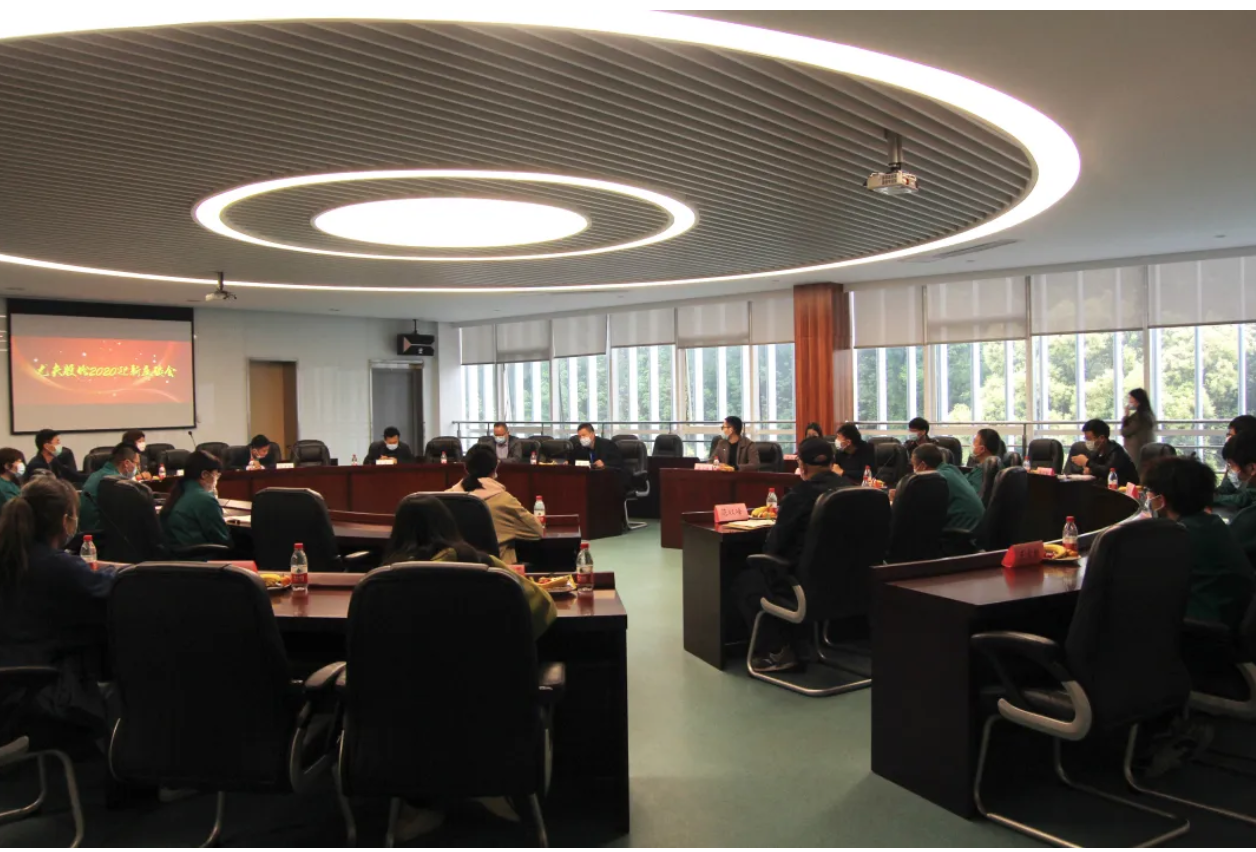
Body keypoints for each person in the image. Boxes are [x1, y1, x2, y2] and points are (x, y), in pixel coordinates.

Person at [0, 477, 117, 733]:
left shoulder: (14, 556)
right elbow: (115, 591)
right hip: (39, 690)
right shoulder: (58, 567)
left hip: (10, 683)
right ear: (65, 521)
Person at [732, 437, 845, 674]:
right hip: (852, 586)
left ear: (801, 465)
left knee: (748, 581)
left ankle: (778, 651)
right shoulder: (853, 489)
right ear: (833, 461)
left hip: (809, 588)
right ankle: (805, 643)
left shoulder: (800, 496)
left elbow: (774, 546)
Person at [382, 494, 555, 638]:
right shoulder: (486, 567)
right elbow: (543, 605)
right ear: (449, 525)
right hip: (487, 667)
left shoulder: (381, 582)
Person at [1143, 456, 1254, 629]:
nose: (1148, 497)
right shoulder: (1213, 524)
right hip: (1227, 620)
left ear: (1161, 500)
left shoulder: (1180, 536)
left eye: (1149, 491)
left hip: (1203, 632)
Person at [446, 444, 543, 563]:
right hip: (497, 571)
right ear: (495, 467)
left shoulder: (446, 498)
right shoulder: (505, 500)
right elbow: (537, 531)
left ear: (466, 467)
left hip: (457, 571)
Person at [159, 450, 231, 549]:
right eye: (216, 475)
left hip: (180, 554)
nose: (217, 480)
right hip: (202, 555)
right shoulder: (204, 499)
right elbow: (222, 538)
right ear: (205, 474)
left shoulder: (179, 491)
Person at [911, 443, 984, 532]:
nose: (913, 469)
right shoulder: (951, 469)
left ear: (923, 465)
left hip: (963, 532)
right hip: (978, 527)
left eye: (914, 465)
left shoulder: (937, 480)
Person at [79, 442, 141, 534]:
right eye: (137, 464)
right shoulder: (115, 481)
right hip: (100, 533)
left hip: (86, 530)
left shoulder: (96, 474)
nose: (138, 469)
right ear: (126, 463)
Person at [1223, 430, 1256, 569]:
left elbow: (1224, 549)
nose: (1231, 471)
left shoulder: (1248, 519)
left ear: (1252, 468)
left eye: (1231, 465)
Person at [1071, 419, 1139, 486]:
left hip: (1125, 489)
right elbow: (1097, 468)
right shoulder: (1098, 451)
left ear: (1102, 438)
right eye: (1086, 439)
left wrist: (1087, 462)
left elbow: (1108, 472)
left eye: (1089, 439)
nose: (1087, 442)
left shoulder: (1116, 451)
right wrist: (1089, 470)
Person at [1215, 416, 1256, 508]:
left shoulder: (1246, 462)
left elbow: (1246, 498)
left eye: (1231, 436)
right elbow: (1225, 488)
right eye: (1227, 435)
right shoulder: (1235, 461)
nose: (1228, 440)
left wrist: (1211, 499)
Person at [1120, 389, 1157, 463]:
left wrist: (1126, 416)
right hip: (1146, 449)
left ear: (1137, 399)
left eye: (1131, 398)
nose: (1129, 401)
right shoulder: (1149, 414)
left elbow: (1125, 431)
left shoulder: (1138, 417)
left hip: (1136, 451)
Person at [965, 428, 1005, 494]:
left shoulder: (983, 471)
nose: (973, 445)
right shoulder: (1000, 466)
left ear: (982, 449)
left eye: (975, 441)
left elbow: (971, 495)